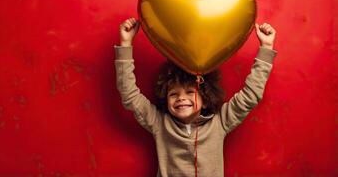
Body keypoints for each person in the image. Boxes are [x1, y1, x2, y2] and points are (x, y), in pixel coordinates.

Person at [114, 17, 277, 176]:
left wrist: (266, 47)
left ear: (206, 98)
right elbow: (129, 94)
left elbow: (250, 95)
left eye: (190, 92)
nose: (181, 98)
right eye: (173, 94)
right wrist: (126, 44)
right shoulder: (159, 123)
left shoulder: (220, 122)